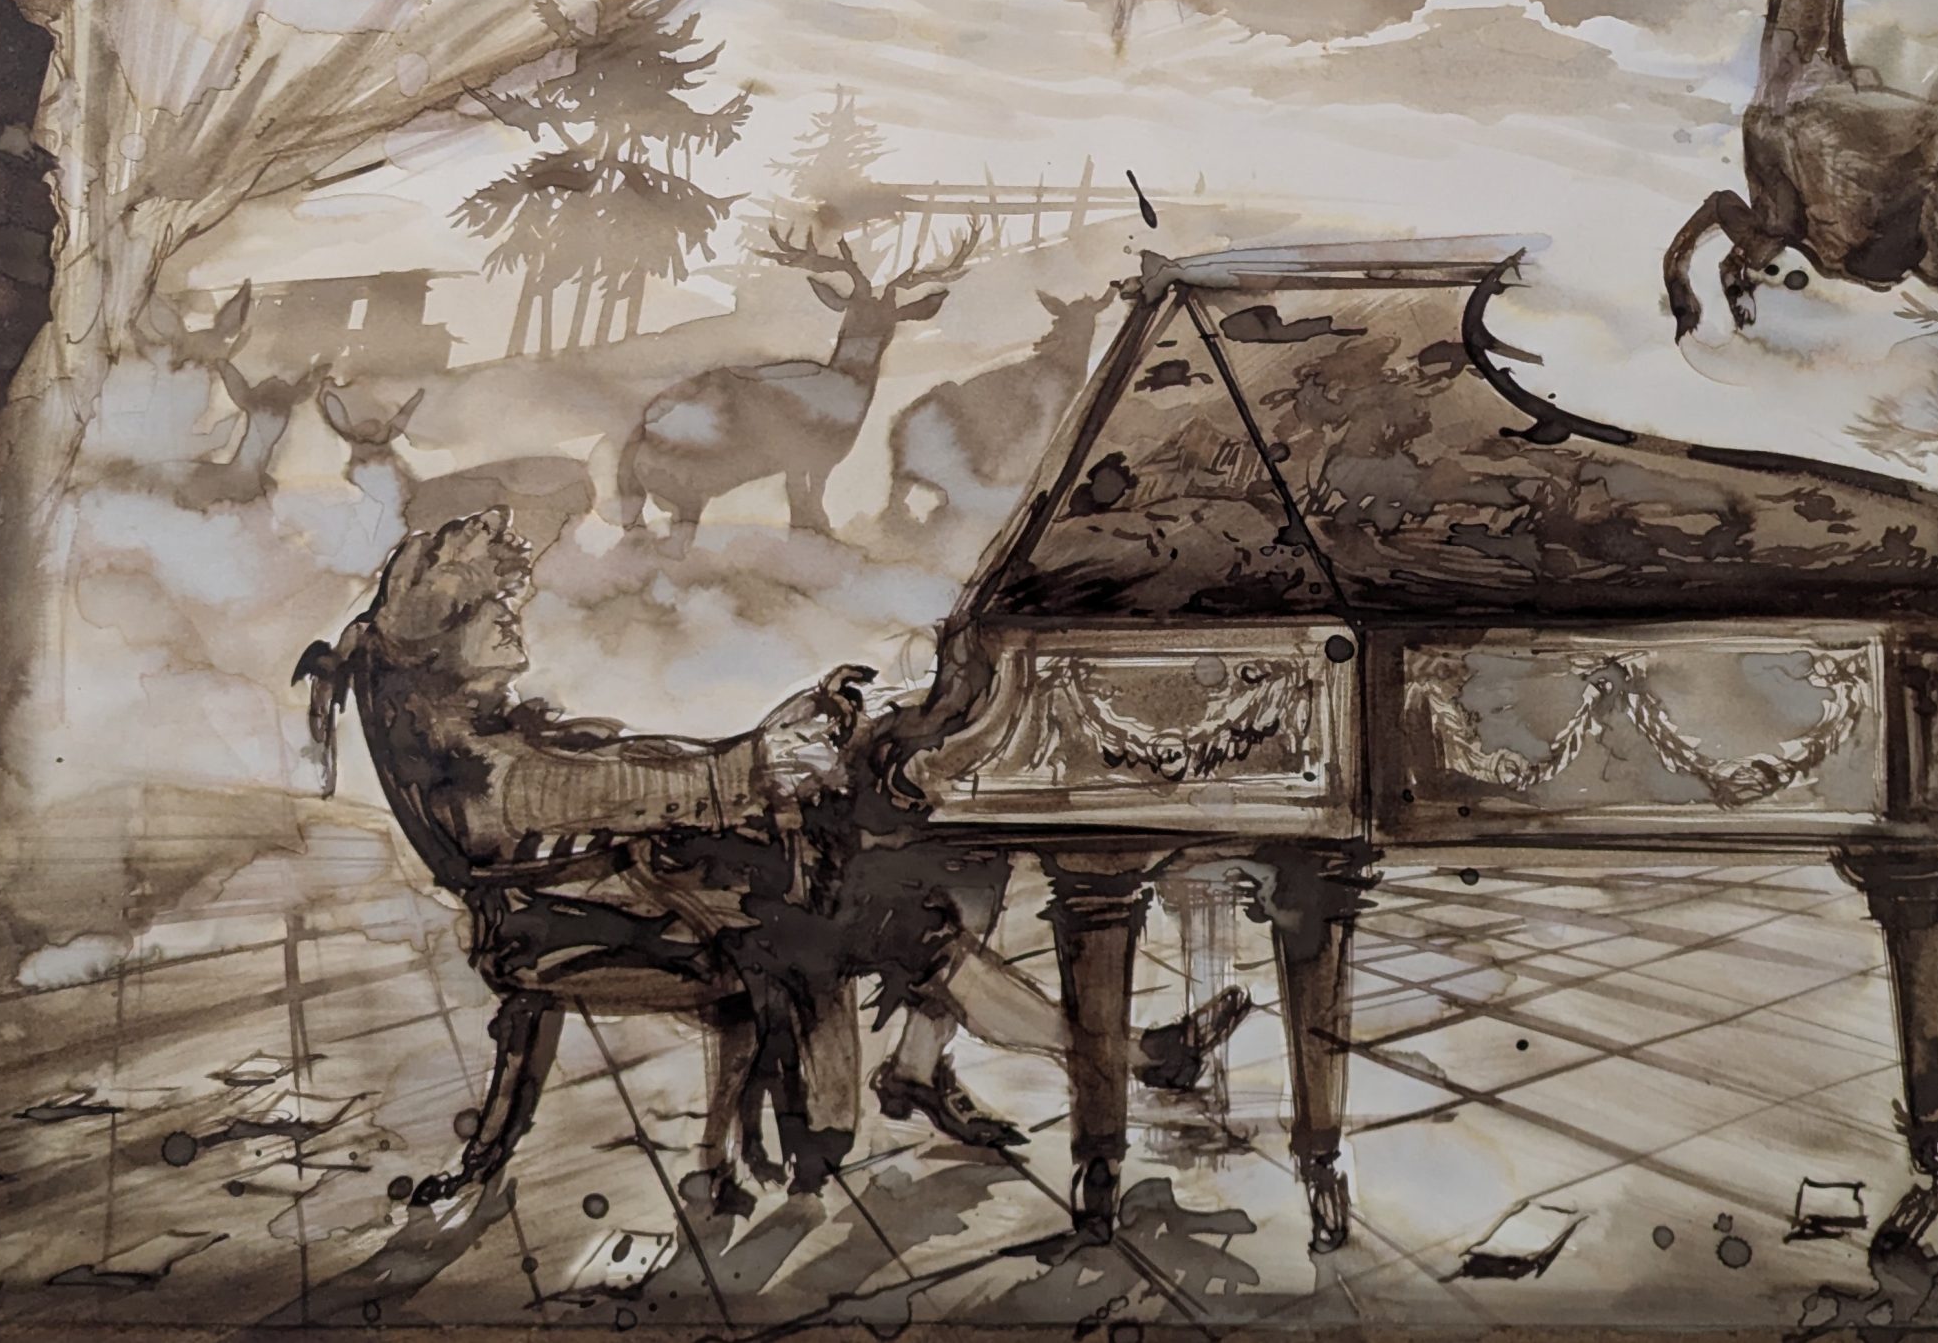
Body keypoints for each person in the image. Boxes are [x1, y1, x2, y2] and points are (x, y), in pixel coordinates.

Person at [304, 510, 1250, 1200]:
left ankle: (932, 1064)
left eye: (510, 602)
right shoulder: (493, 774)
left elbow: (643, 772)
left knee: (943, 861)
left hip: (641, 888)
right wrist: (763, 757)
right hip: (606, 919)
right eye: (492, 611)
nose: (515, 618)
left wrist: (779, 741)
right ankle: (1126, 1057)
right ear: (444, 643)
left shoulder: (479, 737)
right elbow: (638, 790)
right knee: (900, 909)